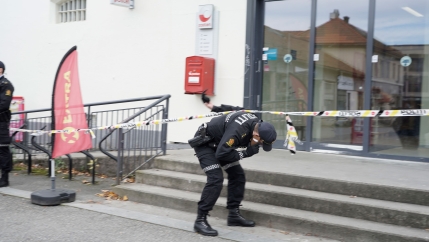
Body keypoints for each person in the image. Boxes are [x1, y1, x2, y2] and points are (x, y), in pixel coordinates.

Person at [188, 111, 277, 236]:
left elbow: (226, 148)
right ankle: (200, 220)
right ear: (256, 134)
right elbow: (221, 154)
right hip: (206, 143)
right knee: (215, 178)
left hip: (221, 144)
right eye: (261, 143)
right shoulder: (238, 130)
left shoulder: (255, 124)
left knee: (237, 175)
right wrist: (246, 153)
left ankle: (233, 215)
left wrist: (250, 145)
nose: (260, 145)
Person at [0, 61, 14, 187]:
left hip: (1, 122)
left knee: (2, 148)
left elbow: (3, 104)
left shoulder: (6, 85)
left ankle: (4, 178)